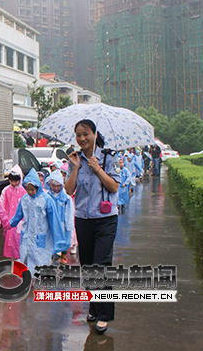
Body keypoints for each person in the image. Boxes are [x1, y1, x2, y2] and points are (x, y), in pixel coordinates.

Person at [64, 119, 120, 335]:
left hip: (105, 219)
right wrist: (76, 168)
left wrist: (97, 169)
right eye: (78, 135)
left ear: (94, 134)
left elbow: (114, 187)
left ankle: (105, 315)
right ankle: (94, 308)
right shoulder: (75, 159)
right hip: (83, 219)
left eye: (85, 134)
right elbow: (69, 190)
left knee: (101, 265)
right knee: (88, 268)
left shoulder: (108, 157)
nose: (82, 138)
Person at [9, 168, 67, 276]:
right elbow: (18, 215)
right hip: (27, 234)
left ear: (38, 187)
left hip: (42, 235)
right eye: (27, 189)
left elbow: (54, 221)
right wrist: (9, 224)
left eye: (32, 189)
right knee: (27, 257)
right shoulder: (24, 199)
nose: (30, 192)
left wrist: (58, 240)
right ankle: (30, 278)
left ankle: (39, 278)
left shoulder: (46, 200)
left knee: (40, 258)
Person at [45, 170, 75, 264]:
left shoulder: (66, 198)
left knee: (64, 241)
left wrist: (69, 225)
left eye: (58, 186)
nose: (56, 188)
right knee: (50, 241)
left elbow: (69, 212)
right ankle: (49, 257)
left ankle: (64, 256)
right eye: (54, 186)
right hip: (50, 223)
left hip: (62, 223)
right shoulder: (47, 197)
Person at [0, 165, 27, 260]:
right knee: (10, 241)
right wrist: (2, 219)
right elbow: (1, 204)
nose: (13, 183)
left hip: (20, 222)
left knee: (18, 242)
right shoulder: (6, 190)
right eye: (11, 180)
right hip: (8, 221)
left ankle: (19, 261)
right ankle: (14, 260)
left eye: (16, 181)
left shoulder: (23, 192)